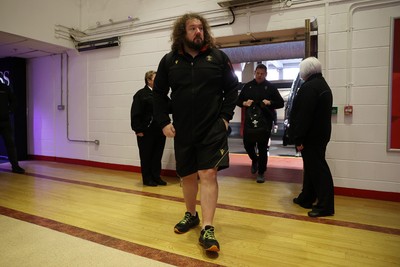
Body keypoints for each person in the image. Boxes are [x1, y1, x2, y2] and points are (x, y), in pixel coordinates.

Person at [152, 13, 239, 252]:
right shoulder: (169, 61)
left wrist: (224, 118)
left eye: (201, 28)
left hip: (212, 128)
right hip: (183, 129)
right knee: (188, 176)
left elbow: (233, 89)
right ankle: (191, 215)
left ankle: (208, 227)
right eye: (192, 28)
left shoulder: (218, 57)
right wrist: (162, 122)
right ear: (182, 32)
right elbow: (158, 94)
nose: (198, 32)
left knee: (208, 173)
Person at [290, 57, 335, 217]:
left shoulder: (309, 87)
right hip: (320, 135)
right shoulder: (321, 85)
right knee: (311, 168)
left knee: (318, 170)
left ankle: (325, 206)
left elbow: (304, 116)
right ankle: (306, 198)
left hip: (311, 136)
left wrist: (299, 138)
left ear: (305, 70)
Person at [236, 64, 284, 183]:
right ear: (254, 73)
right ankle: (254, 159)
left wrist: (270, 102)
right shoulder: (248, 86)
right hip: (250, 122)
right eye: (258, 73)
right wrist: (244, 103)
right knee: (248, 145)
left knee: (262, 148)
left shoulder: (270, 87)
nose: (259, 76)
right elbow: (238, 101)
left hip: (265, 122)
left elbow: (281, 103)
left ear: (266, 74)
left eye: (262, 74)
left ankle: (261, 172)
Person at [130, 71, 167, 186]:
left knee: (157, 155)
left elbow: (169, 107)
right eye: (156, 78)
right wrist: (138, 130)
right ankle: (147, 178)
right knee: (146, 156)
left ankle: (156, 177)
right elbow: (135, 113)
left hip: (160, 130)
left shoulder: (161, 94)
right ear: (149, 80)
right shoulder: (140, 94)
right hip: (145, 131)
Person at [0, 82, 25, 174]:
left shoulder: (5, 88)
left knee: (11, 145)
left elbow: (14, 101)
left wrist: (9, 110)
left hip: (5, 122)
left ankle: (15, 166)